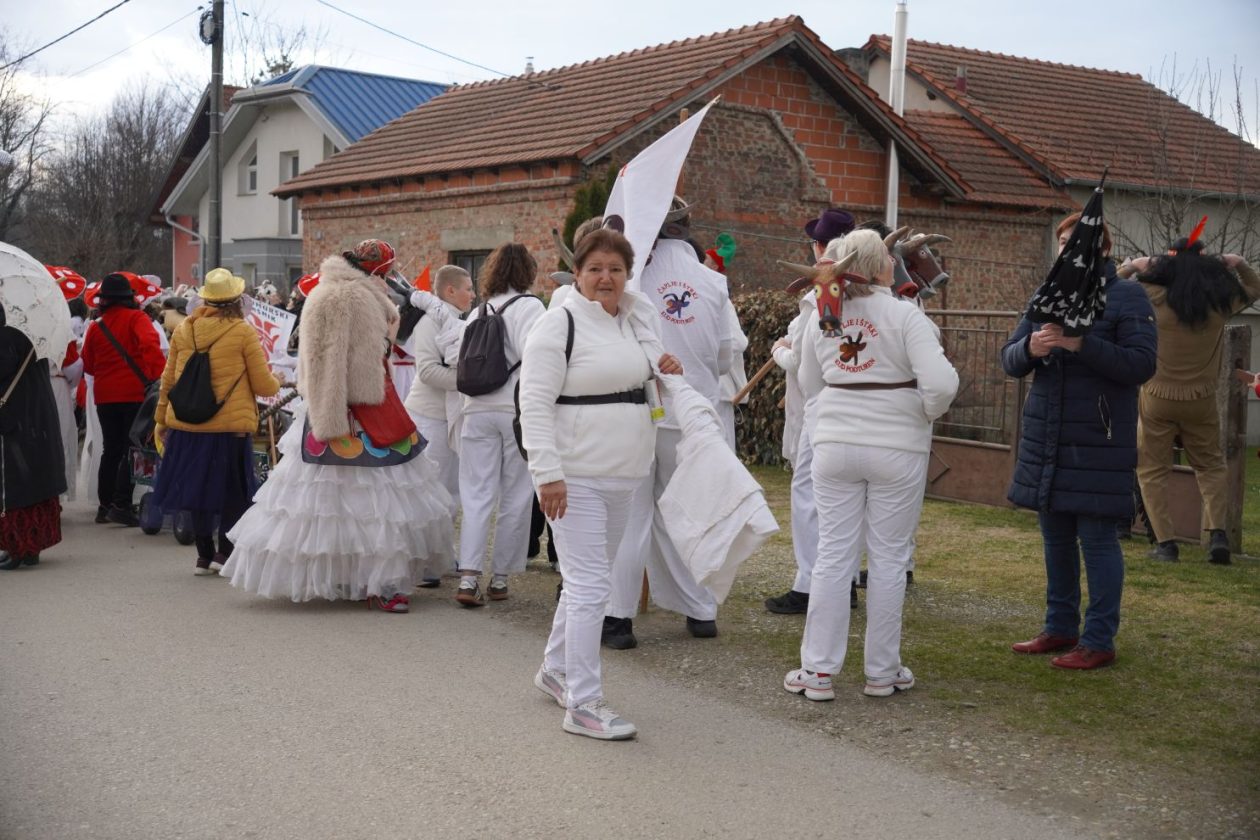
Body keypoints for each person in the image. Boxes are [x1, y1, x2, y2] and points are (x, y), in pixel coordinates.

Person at [220, 240, 455, 611]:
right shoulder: (342, 298)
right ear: (376, 272)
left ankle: (367, 578)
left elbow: (369, 350)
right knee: (358, 500)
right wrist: (331, 415)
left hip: (366, 402)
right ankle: (373, 580)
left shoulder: (346, 294)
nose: (393, 279)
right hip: (348, 408)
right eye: (389, 272)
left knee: (359, 500)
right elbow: (329, 360)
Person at [520, 227, 682, 739]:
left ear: (628, 273)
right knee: (594, 587)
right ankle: (584, 704)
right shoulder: (557, 324)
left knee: (586, 581)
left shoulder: (634, 321)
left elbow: (643, 385)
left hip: (625, 474)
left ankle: (555, 670)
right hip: (575, 477)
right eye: (595, 269)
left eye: (615, 268)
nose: (605, 278)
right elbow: (533, 404)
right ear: (578, 273)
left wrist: (662, 370)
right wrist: (547, 475)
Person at [782, 229, 958, 701]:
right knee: (888, 559)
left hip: (836, 442)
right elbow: (940, 384)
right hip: (897, 447)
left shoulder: (826, 317)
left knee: (833, 555)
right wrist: (919, 412)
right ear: (881, 266)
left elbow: (810, 381)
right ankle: (882, 671)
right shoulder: (905, 314)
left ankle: (817, 672)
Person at [1003, 213, 1157, 670]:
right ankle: (1060, 627)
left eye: (1077, 242)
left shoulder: (1128, 296)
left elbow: (1141, 365)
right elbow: (1009, 359)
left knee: (1097, 540)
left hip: (1098, 440)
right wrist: (1030, 349)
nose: (1068, 250)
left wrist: (1079, 344)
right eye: (1063, 242)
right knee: (1055, 539)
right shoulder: (1046, 296)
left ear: (1102, 250)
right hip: (1048, 438)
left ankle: (1098, 639)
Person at [1121, 243, 1260, 564]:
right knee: (1211, 466)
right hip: (1202, 400)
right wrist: (1237, 262)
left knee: (1152, 471)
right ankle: (1218, 537)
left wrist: (1133, 266)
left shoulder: (1152, 296)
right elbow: (1254, 287)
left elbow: (1110, 288)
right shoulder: (1219, 302)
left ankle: (1166, 544)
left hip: (1156, 397)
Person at [151, 268, 281, 575]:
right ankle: (224, 553)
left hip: (187, 425)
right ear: (236, 300)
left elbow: (168, 379)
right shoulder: (243, 331)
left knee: (197, 490)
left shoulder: (184, 329)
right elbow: (264, 385)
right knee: (232, 493)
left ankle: (202, 555)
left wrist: (160, 419)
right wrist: (279, 380)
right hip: (229, 427)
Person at [764, 207, 857, 615]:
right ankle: (845, 579)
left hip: (821, 410)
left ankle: (809, 584)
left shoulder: (823, 291)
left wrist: (780, 350)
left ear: (819, 247)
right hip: (852, 411)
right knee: (843, 501)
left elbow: (809, 362)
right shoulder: (864, 292)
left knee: (810, 497)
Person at [452, 243, 547, 606]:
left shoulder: (478, 312)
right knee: (516, 493)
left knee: (475, 494)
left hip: (475, 408)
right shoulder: (531, 308)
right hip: (515, 410)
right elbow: (536, 358)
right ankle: (501, 577)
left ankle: (468, 577)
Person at [80, 273, 166, 527]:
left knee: (110, 449)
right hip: (134, 394)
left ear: (103, 299)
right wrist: (158, 376)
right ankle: (121, 503)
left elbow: (89, 364)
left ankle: (104, 505)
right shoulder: (138, 319)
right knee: (132, 448)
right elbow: (150, 347)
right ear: (129, 298)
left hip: (105, 396)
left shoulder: (96, 326)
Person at [0, 311, 67, 570]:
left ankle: (17, 547)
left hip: (15, 423)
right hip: (37, 422)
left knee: (15, 486)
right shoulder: (30, 338)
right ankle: (31, 547)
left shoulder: (5, 340)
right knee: (35, 485)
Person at [404, 264, 473, 508]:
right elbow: (427, 371)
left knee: (450, 490)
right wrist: (471, 382)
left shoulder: (455, 319)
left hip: (447, 417)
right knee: (431, 491)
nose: (473, 295)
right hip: (428, 417)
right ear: (450, 291)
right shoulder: (430, 322)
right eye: (468, 289)